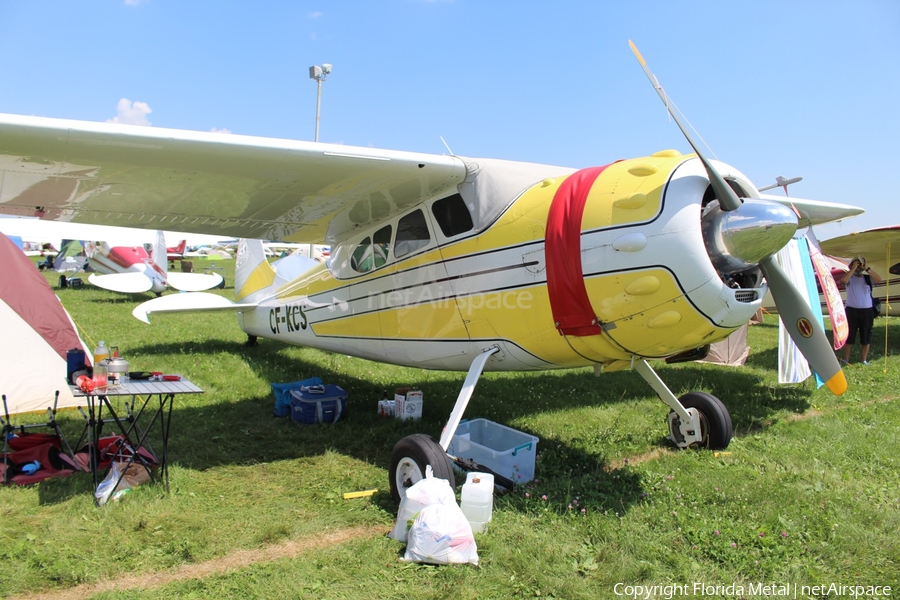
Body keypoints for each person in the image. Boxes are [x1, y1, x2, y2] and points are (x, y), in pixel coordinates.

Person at [840, 256, 882, 365]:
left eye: (860, 264)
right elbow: (844, 280)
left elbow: (879, 279)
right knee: (850, 336)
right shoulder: (850, 278)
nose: (858, 266)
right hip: (852, 311)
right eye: (856, 264)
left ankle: (863, 359)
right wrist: (853, 268)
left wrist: (867, 268)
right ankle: (846, 359)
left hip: (867, 311)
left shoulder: (867, 278)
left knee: (866, 336)